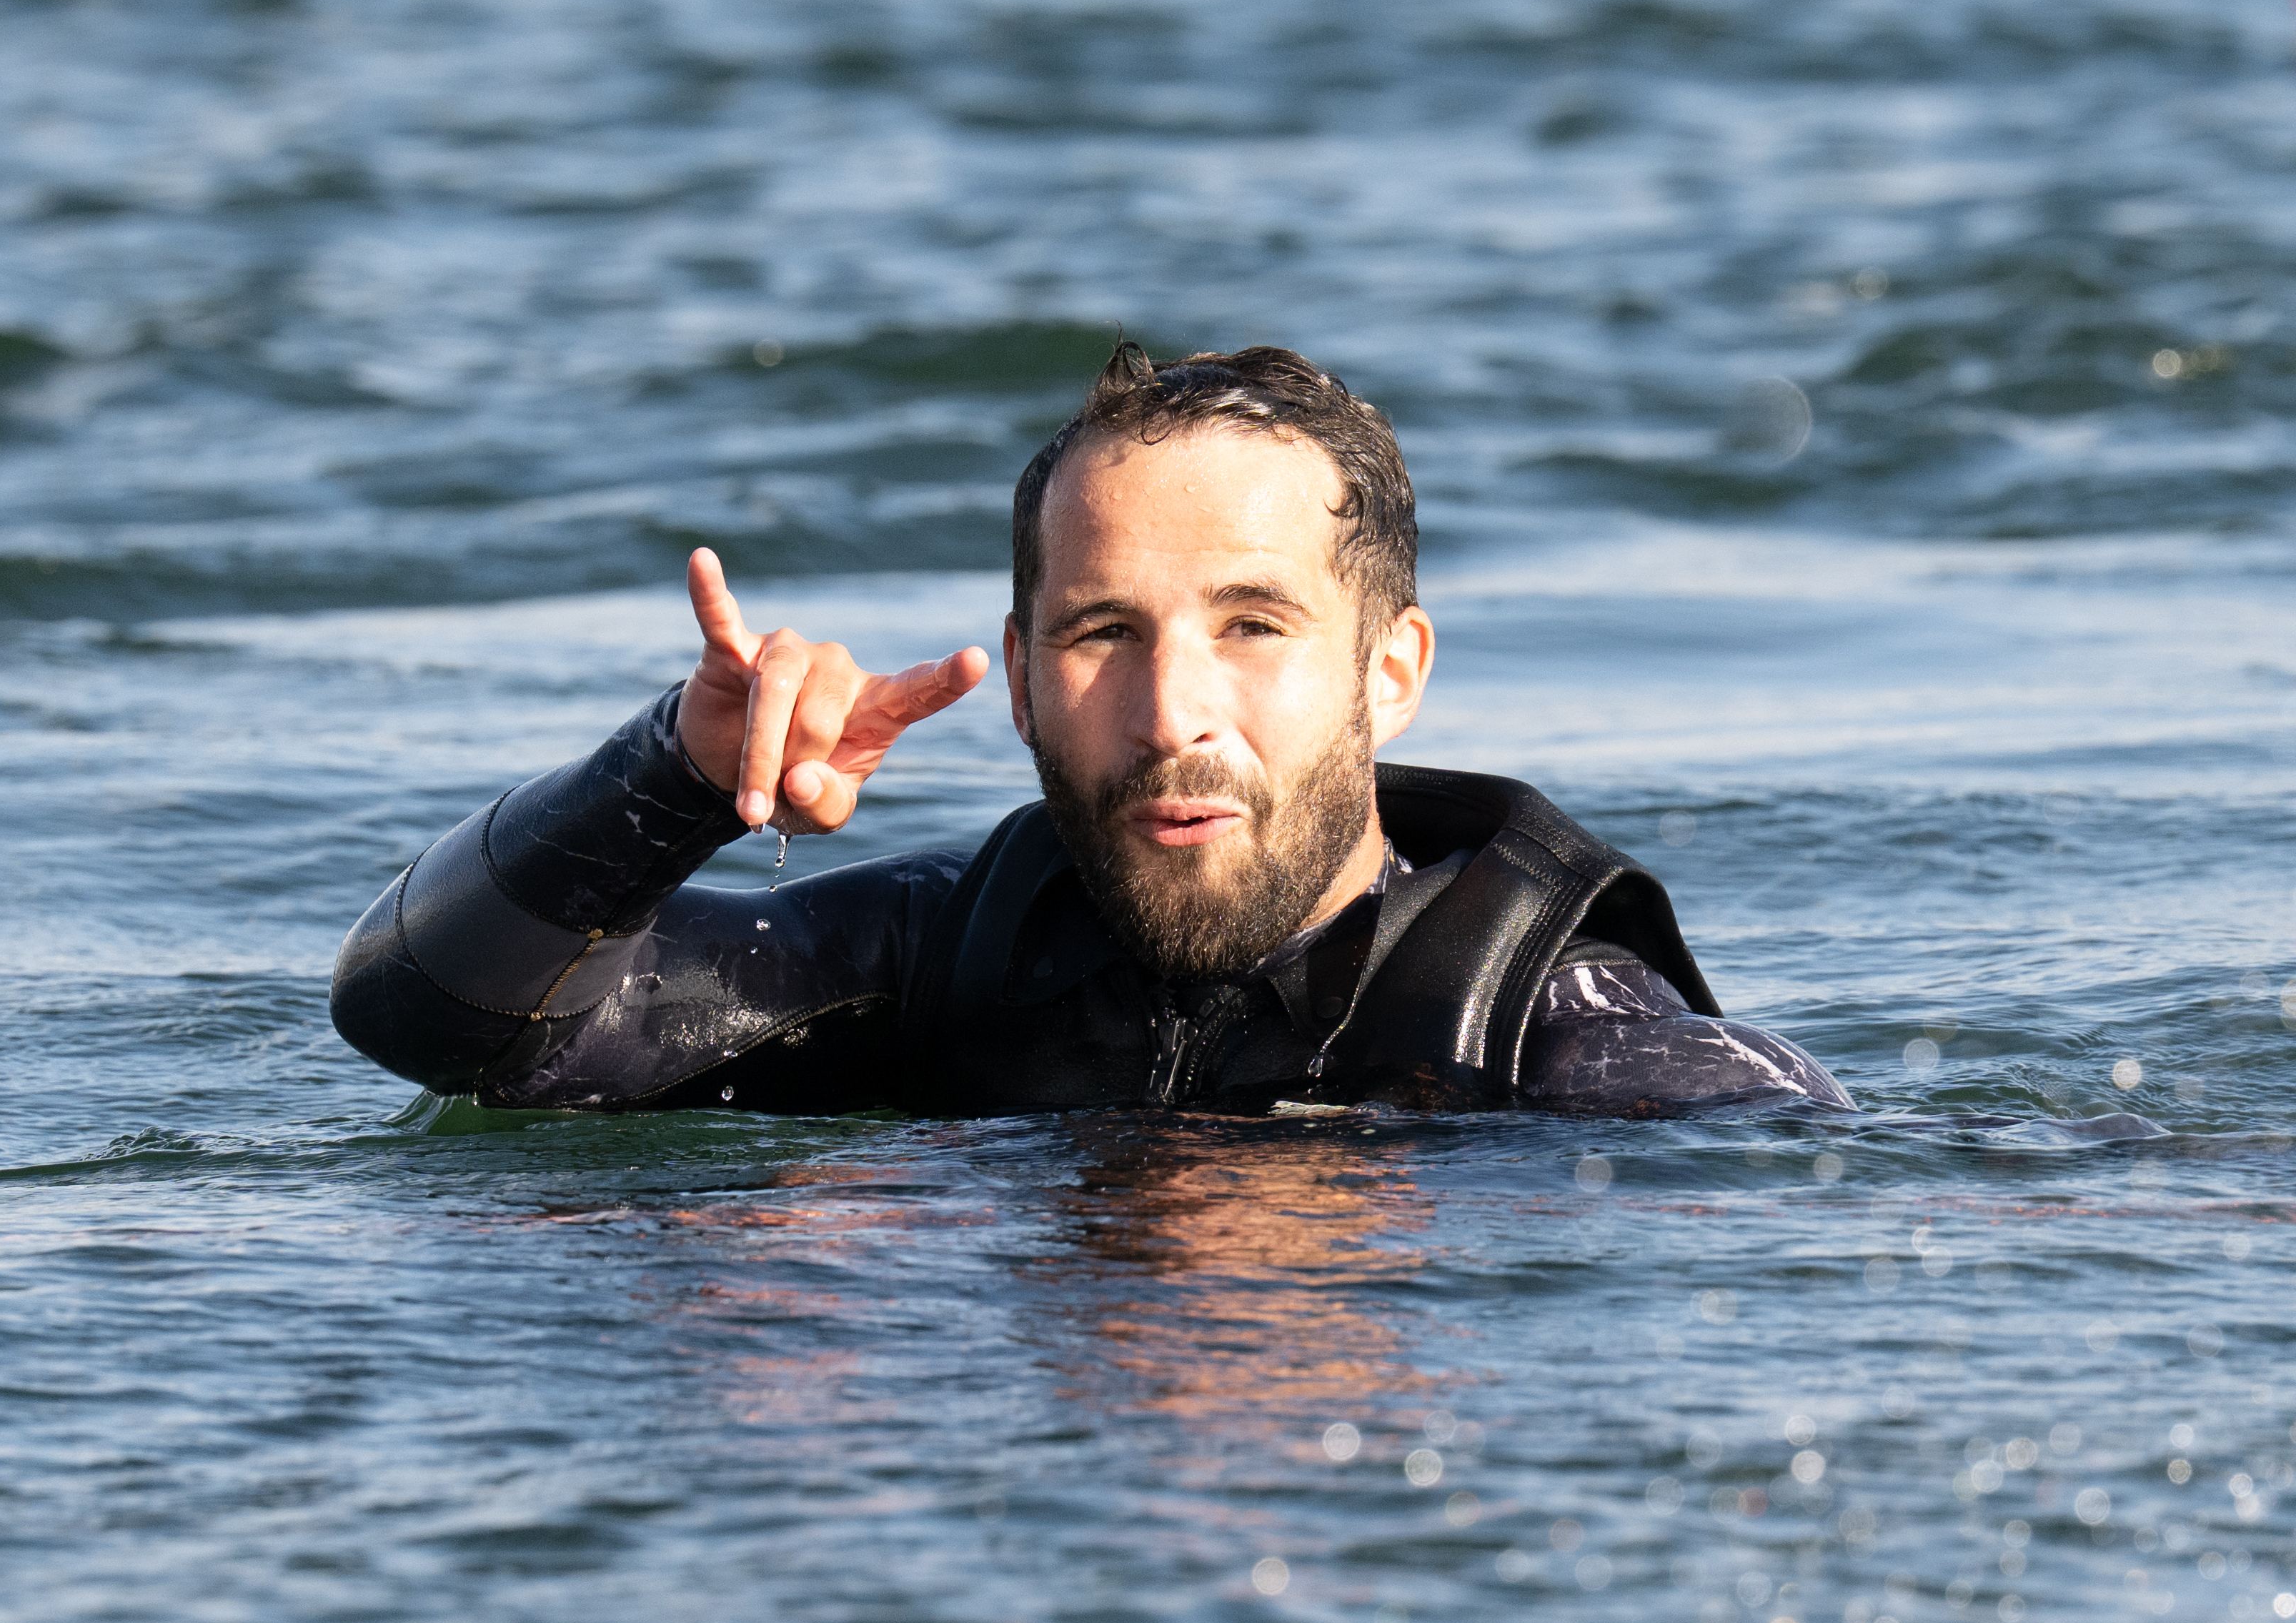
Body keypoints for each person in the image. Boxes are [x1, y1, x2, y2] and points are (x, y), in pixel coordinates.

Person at [332, 342, 1850, 1117]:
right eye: (1102, 633)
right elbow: (430, 1017)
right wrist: (674, 773)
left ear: (1390, 675)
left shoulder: (1563, 1050)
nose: (1172, 712)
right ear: (1018, 671)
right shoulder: (946, 962)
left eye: (1253, 627)